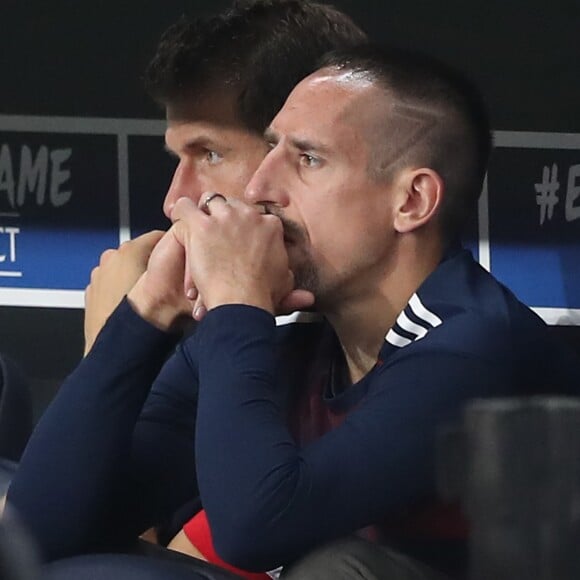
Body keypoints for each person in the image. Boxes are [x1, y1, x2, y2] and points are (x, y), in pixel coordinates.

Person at [7, 1, 369, 579]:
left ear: (306, 154)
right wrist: (138, 317)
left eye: (210, 153)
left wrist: (232, 300)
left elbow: (236, 538)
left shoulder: (454, 338)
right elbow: (36, 531)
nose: (178, 197)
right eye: (179, 158)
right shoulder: (245, 334)